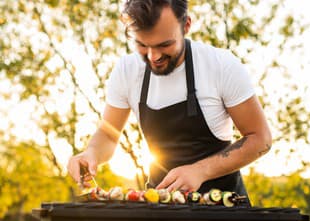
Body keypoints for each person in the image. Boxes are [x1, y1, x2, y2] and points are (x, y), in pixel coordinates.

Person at [67, 0, 272, 201]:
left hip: (224, 213)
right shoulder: (126, 70)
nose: (153, 57)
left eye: (164, 44)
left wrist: (200, 171)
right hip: (160, 211)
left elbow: (260, 138)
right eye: (143, 45)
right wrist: (91, 153)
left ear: (186, 26)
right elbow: (108, 135)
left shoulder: (220, 65)